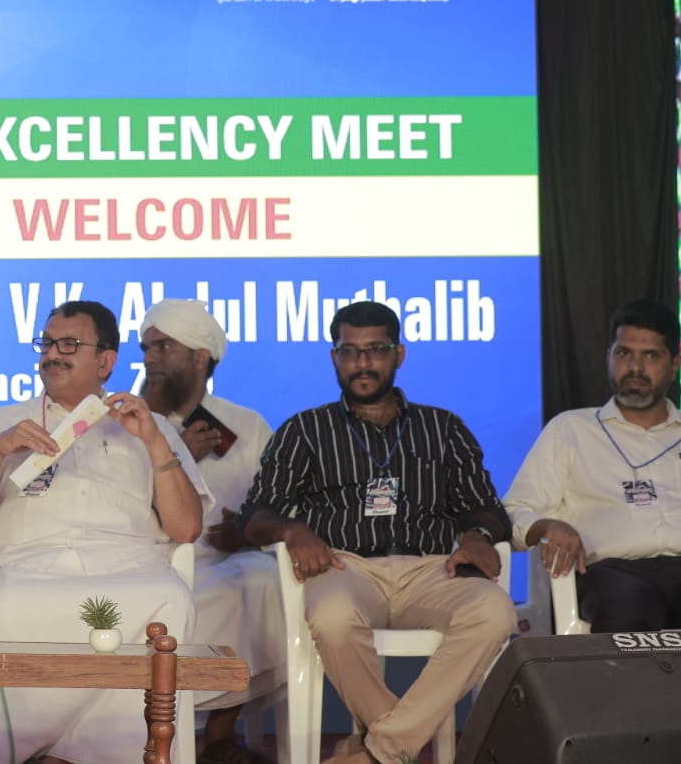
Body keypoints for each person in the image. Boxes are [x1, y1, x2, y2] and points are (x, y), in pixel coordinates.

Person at [239, 300, 514, 764]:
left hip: (432, 570)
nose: (362, 363)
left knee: (495, 612)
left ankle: (377, 751)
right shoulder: (305, 430)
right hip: (345, 566)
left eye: (376, 350)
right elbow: (254, 516)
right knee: (331, 616)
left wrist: (478, 536)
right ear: (334, 358)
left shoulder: (443, 428)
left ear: (398, 354)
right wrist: (291, 530)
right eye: (349, 351)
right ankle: (396, 748)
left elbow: (488, 510)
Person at [0, 300, 210, 764]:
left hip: (131, 567)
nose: (51, 354)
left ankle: (66, 755)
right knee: (6, 603)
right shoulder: (2, 423)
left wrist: (153, 441)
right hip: (29, 569)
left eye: (69, 345)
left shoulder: (151, 426)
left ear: (106, 361)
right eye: (46, 343)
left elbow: (186, 529)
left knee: (170, 598)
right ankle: (38, 752)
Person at [139, 299, 280, 764]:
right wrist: (178, 455)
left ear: (201, 357)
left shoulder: (247, 426)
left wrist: (246, 531)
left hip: (222, 565)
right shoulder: (128, 422)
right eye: (146, 348)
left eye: (163, 346)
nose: (150, 358)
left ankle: (219, 735)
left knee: (259, 579)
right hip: (146, 563)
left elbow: (279, 504)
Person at [504, 299, 681, 632]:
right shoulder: (571, 429)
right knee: (629, 607)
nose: (635, 368)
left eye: (650, 356)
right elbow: (515, 510)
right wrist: (549, 527)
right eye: (624, 353)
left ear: (675, 364)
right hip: (612, 574)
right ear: (608, 357)